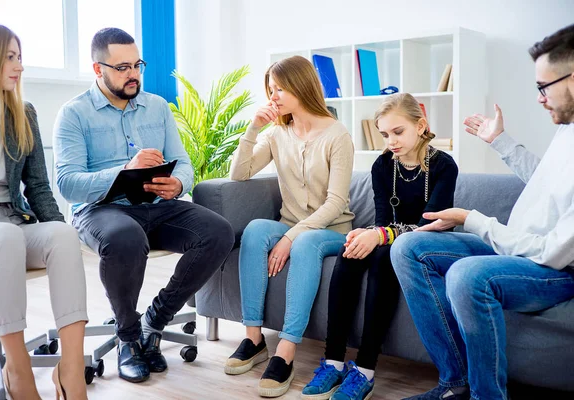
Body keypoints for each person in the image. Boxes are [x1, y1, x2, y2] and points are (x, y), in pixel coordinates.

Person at [390, 23, 574, 400]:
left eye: (544, 87)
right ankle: (454, 384)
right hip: (518, 249)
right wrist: (500, 142)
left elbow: (554, 254)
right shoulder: (567, 128)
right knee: (407, 248)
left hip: (556, 270)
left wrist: (471, 219)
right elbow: (547, 181)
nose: (539, 98)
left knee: (468, 275)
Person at [53, 28, 235, 383]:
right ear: (97, 69)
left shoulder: (156, 106)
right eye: (122, 67)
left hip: (157, 205)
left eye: (137, 65)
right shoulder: (74, 114)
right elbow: (68, 183)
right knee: (125, 238)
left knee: (218, 232)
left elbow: (182, 161)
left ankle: (156, 319)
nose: (133, 73)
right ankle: (129, 338)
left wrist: (178, 182)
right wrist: (123, 171)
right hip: (102, 210)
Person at [302, 93, 458, 400]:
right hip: (391, 237)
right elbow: (384, 218)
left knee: (384, 256)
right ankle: (333, 362)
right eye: (385, 134)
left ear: (420, 125)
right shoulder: (383, 166)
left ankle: (365, 370)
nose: (391, 141)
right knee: (349, 251)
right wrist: (367, 233)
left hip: (428, 245)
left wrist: (381, 236)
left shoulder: (444, 166)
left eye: (398, 132)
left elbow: (434, 223)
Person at [224, 55, 355, 398]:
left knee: (305, 244)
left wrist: (291, 237)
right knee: (254, 229)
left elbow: (336, 202)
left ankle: (286, 350)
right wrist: (253, 128)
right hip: (291, 225)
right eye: (270, 90)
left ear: (302, 85)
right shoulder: (277, 132)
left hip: (331, 231)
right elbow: (239, 173)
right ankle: (253, 339)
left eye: (280, 88)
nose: (274, 96)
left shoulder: (337, 134)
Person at [0, 21, 88, 400]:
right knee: (3, 237)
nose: (19, 66)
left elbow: (38, 187)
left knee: (63, 233)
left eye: (19, 57)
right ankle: (18, 368)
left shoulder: (23, 113)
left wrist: (59, 233)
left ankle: (70, 369)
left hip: (10, 219)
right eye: (10, 57)